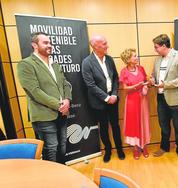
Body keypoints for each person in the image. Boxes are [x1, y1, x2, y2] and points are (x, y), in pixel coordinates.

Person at [17, 32, 72, 163]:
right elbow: (34, 91)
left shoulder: (55, 64)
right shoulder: (26, 64)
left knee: (63, 146)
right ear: (34, 45)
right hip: (43, 116)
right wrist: (59, 105)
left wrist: (67, 100)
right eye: (45, 43)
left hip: (62, 113)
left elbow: (65, 84)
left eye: (50, 42)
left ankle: (63, 176)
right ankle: (52, 181)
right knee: (51, 150)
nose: (50, 45)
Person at [81, 35, 125, 163]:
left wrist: (115, 94)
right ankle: (108, 150)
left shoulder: (109, 59)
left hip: (113, 99)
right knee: (104, 128)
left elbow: (115, 78)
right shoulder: (87, 62)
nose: (107, 46)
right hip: (98, 102)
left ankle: (119, 149)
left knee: (115, 126)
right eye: (104, 44)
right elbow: (90, 85)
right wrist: (106, 98)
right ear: (95, 46)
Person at [151, 34, 178, 164]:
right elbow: (153, 75)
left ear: (164, 46)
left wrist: (166, 84)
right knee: (163, 125)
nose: (155, 49)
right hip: (161, 98)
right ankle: (164, 147)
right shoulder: (157, 60)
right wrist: (152, 80)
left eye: (156, 47)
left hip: (175, 99)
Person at [119, 48, 150, 160]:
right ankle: (136, 148)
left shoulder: (141, 68)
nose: (137, 57)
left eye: (136, 55)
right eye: (134, 56)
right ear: (128, 59)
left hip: (143, 100)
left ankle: (144, 146)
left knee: (144, 122)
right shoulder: (124, 71)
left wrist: (147, 84)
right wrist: (137, 86)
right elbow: (125, 89)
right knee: (134, 123)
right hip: (131, 100)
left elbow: (146, 81)